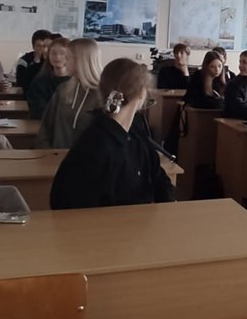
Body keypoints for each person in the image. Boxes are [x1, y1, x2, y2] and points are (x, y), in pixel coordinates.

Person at [49, 58, 176, 209]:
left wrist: (169, 208)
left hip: (139, 221)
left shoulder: (136, 134)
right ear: (141, 93)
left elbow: (160, 179)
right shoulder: (96, 145)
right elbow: (67, 205)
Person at [36, 38, 103, 148]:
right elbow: (45, 128)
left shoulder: (103, 95)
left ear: (80, 61)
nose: (64, 62)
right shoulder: (63, 90)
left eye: (67, 58)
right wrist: (46, 151)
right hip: (56, 156)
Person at [26, 37, 71, 120]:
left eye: (62, 53)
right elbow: (37, 109)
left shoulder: (76, 81)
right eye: (53, 53)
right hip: (44, 124)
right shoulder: (40, 81)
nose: (57, 57)